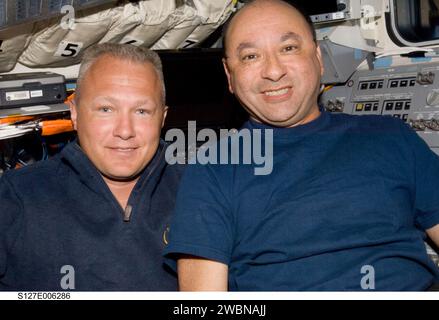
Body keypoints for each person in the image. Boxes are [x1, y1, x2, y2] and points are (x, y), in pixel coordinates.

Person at [163, 0, 439, 291]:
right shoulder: (212, 169)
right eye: (250, 56)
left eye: (288, 48)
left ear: (318, 57)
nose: (273, 71)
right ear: (230, 76)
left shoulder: (392, 137)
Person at [0, 43, 183, 290]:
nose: (125, 131)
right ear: (74, 113)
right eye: (106, 109)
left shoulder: (202, 194)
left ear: (162, 117)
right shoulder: (14, 198)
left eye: (142, 111)